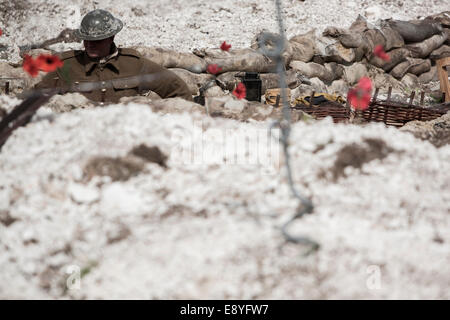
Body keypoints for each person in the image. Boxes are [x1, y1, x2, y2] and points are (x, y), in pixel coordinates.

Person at [35, 9, 192, 103]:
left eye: (97, 40)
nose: (90, 44)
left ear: (111, 38)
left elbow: (177, 90)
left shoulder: (134, 64)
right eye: (87, 40)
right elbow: (32, 99)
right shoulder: (66, 65)